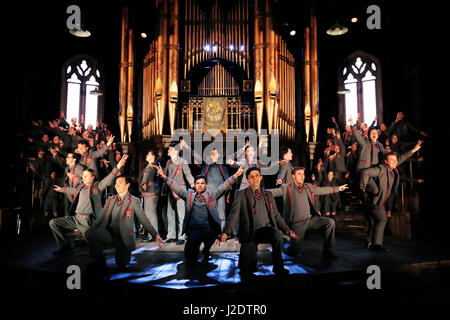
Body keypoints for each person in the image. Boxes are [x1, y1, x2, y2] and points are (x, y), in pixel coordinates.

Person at [220, 167, 299, 280]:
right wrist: (226, 232)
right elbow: (234, 214)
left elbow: (276, 215)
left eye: (257, 175)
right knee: (246, 270)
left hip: (266, 230)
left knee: (277, 235)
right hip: (250, 232)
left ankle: (278, 268)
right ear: (247, 179)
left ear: (261, 177)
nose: (255, 179)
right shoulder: (241, 194)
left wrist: (287, 230)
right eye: (251, 177)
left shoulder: (268, 194)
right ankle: (247, 264)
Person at [157, 163, 245, 265]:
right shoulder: (189, 195)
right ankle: (195, 249)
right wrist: (164, 177)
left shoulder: (212, 194)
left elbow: (224, 186)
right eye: (197, 183)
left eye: (202, 183)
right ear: (194, 185)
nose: (200, 185)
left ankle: (206, 249)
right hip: (194, 230)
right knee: (190, 257)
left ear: (206, 185)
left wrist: (236, 175)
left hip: (208, 230)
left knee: (210, 237)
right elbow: (176, 188)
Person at [49, 154, 128, 255]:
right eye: (83, 176)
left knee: (93, 244)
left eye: (86, 176)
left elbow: (109, 178)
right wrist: (61, 189)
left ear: (92, 178)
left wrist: (118, 166)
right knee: (53, 223)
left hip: (86, 221)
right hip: (75, 218)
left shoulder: (97, 187)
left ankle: (103, 256)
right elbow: (72, 190)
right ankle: (66, 245)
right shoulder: (81, 187)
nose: (84, 177)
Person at [86, 175, 164, 270]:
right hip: (110, 234)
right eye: (116, 183)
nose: (117, 186)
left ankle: (123, 255)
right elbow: (100, 218)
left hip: (124, 237)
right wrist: (92, 228)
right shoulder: (110, 200)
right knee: (90, 232)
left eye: (120, 183)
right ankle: (99, 260)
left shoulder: (134, 201)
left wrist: (155, 234)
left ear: (127, 185)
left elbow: (143, 219)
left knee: (122, 264)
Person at [266, 166, 348, 258]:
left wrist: (337, 189)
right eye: (299, 174)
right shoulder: (286, 188)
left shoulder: (308, 187)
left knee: (330, 222)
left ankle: (328, 250)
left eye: (303, 174)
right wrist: (257, 190)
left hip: (310, 220)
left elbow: (321, 190)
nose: (302, 176)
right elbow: (272, 192)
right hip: (297, 224)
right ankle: (285, 244)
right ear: (293, 176)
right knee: (294, 252)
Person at [360, 141, 423, 252]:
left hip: (378, 201)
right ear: (385, 161)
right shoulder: (381, 169)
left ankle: (369, 242)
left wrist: (413, 150)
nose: (395, 161)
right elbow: (365, 172)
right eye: (392, 160)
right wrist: (367, 188)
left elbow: (402, 157)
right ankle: (377, 245)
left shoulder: (391, 167)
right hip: (374, 200)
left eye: (395, 160)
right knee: (382, 219)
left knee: (374, 221)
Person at [163, 142, 195, 244]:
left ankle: (181, 237)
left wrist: (194, 186)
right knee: (170, 214)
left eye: (170, 149)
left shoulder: (182, 161)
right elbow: (165, 175)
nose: (168, 150)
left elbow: (189, 175)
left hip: (180, 190)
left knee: (181, 215)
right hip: (170, 190)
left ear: (176, 151)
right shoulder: (168, 162)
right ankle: (171, 235)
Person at [139, 150, 160, 242]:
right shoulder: (152, 165)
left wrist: (144, 184)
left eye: (148, 154)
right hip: (149, 192)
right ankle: (151, 234)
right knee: (149, 214)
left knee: (151, 214)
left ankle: (154, 235)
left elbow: (147, 178)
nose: (146, 155)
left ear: (152, 156)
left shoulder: (152, 166)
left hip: (150, 192)